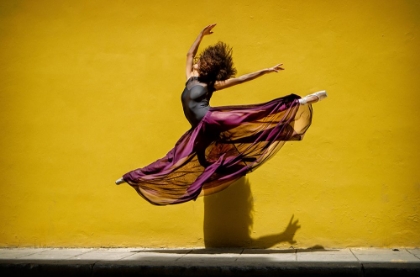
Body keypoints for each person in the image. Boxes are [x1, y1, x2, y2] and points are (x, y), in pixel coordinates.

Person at [115, 24, 327, 205]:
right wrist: (200, 34)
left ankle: (298, 102)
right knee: (175, 157)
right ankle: (133, 176)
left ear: (208, 66)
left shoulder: (211, 84)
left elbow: (241, 80)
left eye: (200, 60)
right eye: (197, 60)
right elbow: (189, 54)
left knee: (248, 117)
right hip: (200, 130)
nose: (196, 61)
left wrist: (265, 70)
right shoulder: (189, 77)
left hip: (211, 118)